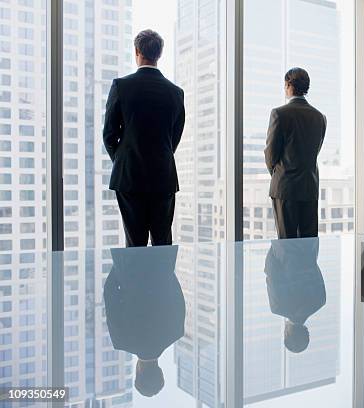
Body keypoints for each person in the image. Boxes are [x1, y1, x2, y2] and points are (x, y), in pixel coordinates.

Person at [103, 29, 185, 247]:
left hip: (129, 177)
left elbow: (109, 134)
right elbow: (174, 136)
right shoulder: (176, 92)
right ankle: (161, 281)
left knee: (135, 243)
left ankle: (136, 282)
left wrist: (124, 159)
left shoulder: (122, 86)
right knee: (162, 242)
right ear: (159, 54)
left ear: (137, 51)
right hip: (163, 176)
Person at [103, 245, 185, 397]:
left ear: (160, 371)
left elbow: (178, 297)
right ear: (138, 372)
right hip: (129, 263)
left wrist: (166, 271)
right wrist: (120, 267)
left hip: (161, 260)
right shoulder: (121, 340)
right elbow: (110, 295)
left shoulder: (175, 332)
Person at [264, 68, 327, 239]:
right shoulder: (320, 117)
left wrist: (279, 174)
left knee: (287, 243)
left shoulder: (279, 113)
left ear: (288, 85)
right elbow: (315, 150)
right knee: (308, 242)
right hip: (309, 186)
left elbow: (271, 154)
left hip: (285, 188)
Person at [264, 238, 326, 353]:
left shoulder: (320, 301)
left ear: (306, 332)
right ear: (287, 333)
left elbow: (315, 269)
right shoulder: (278, 307)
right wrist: (275, 246)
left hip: (309, 243)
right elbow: (271, 271)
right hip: (284, 245)